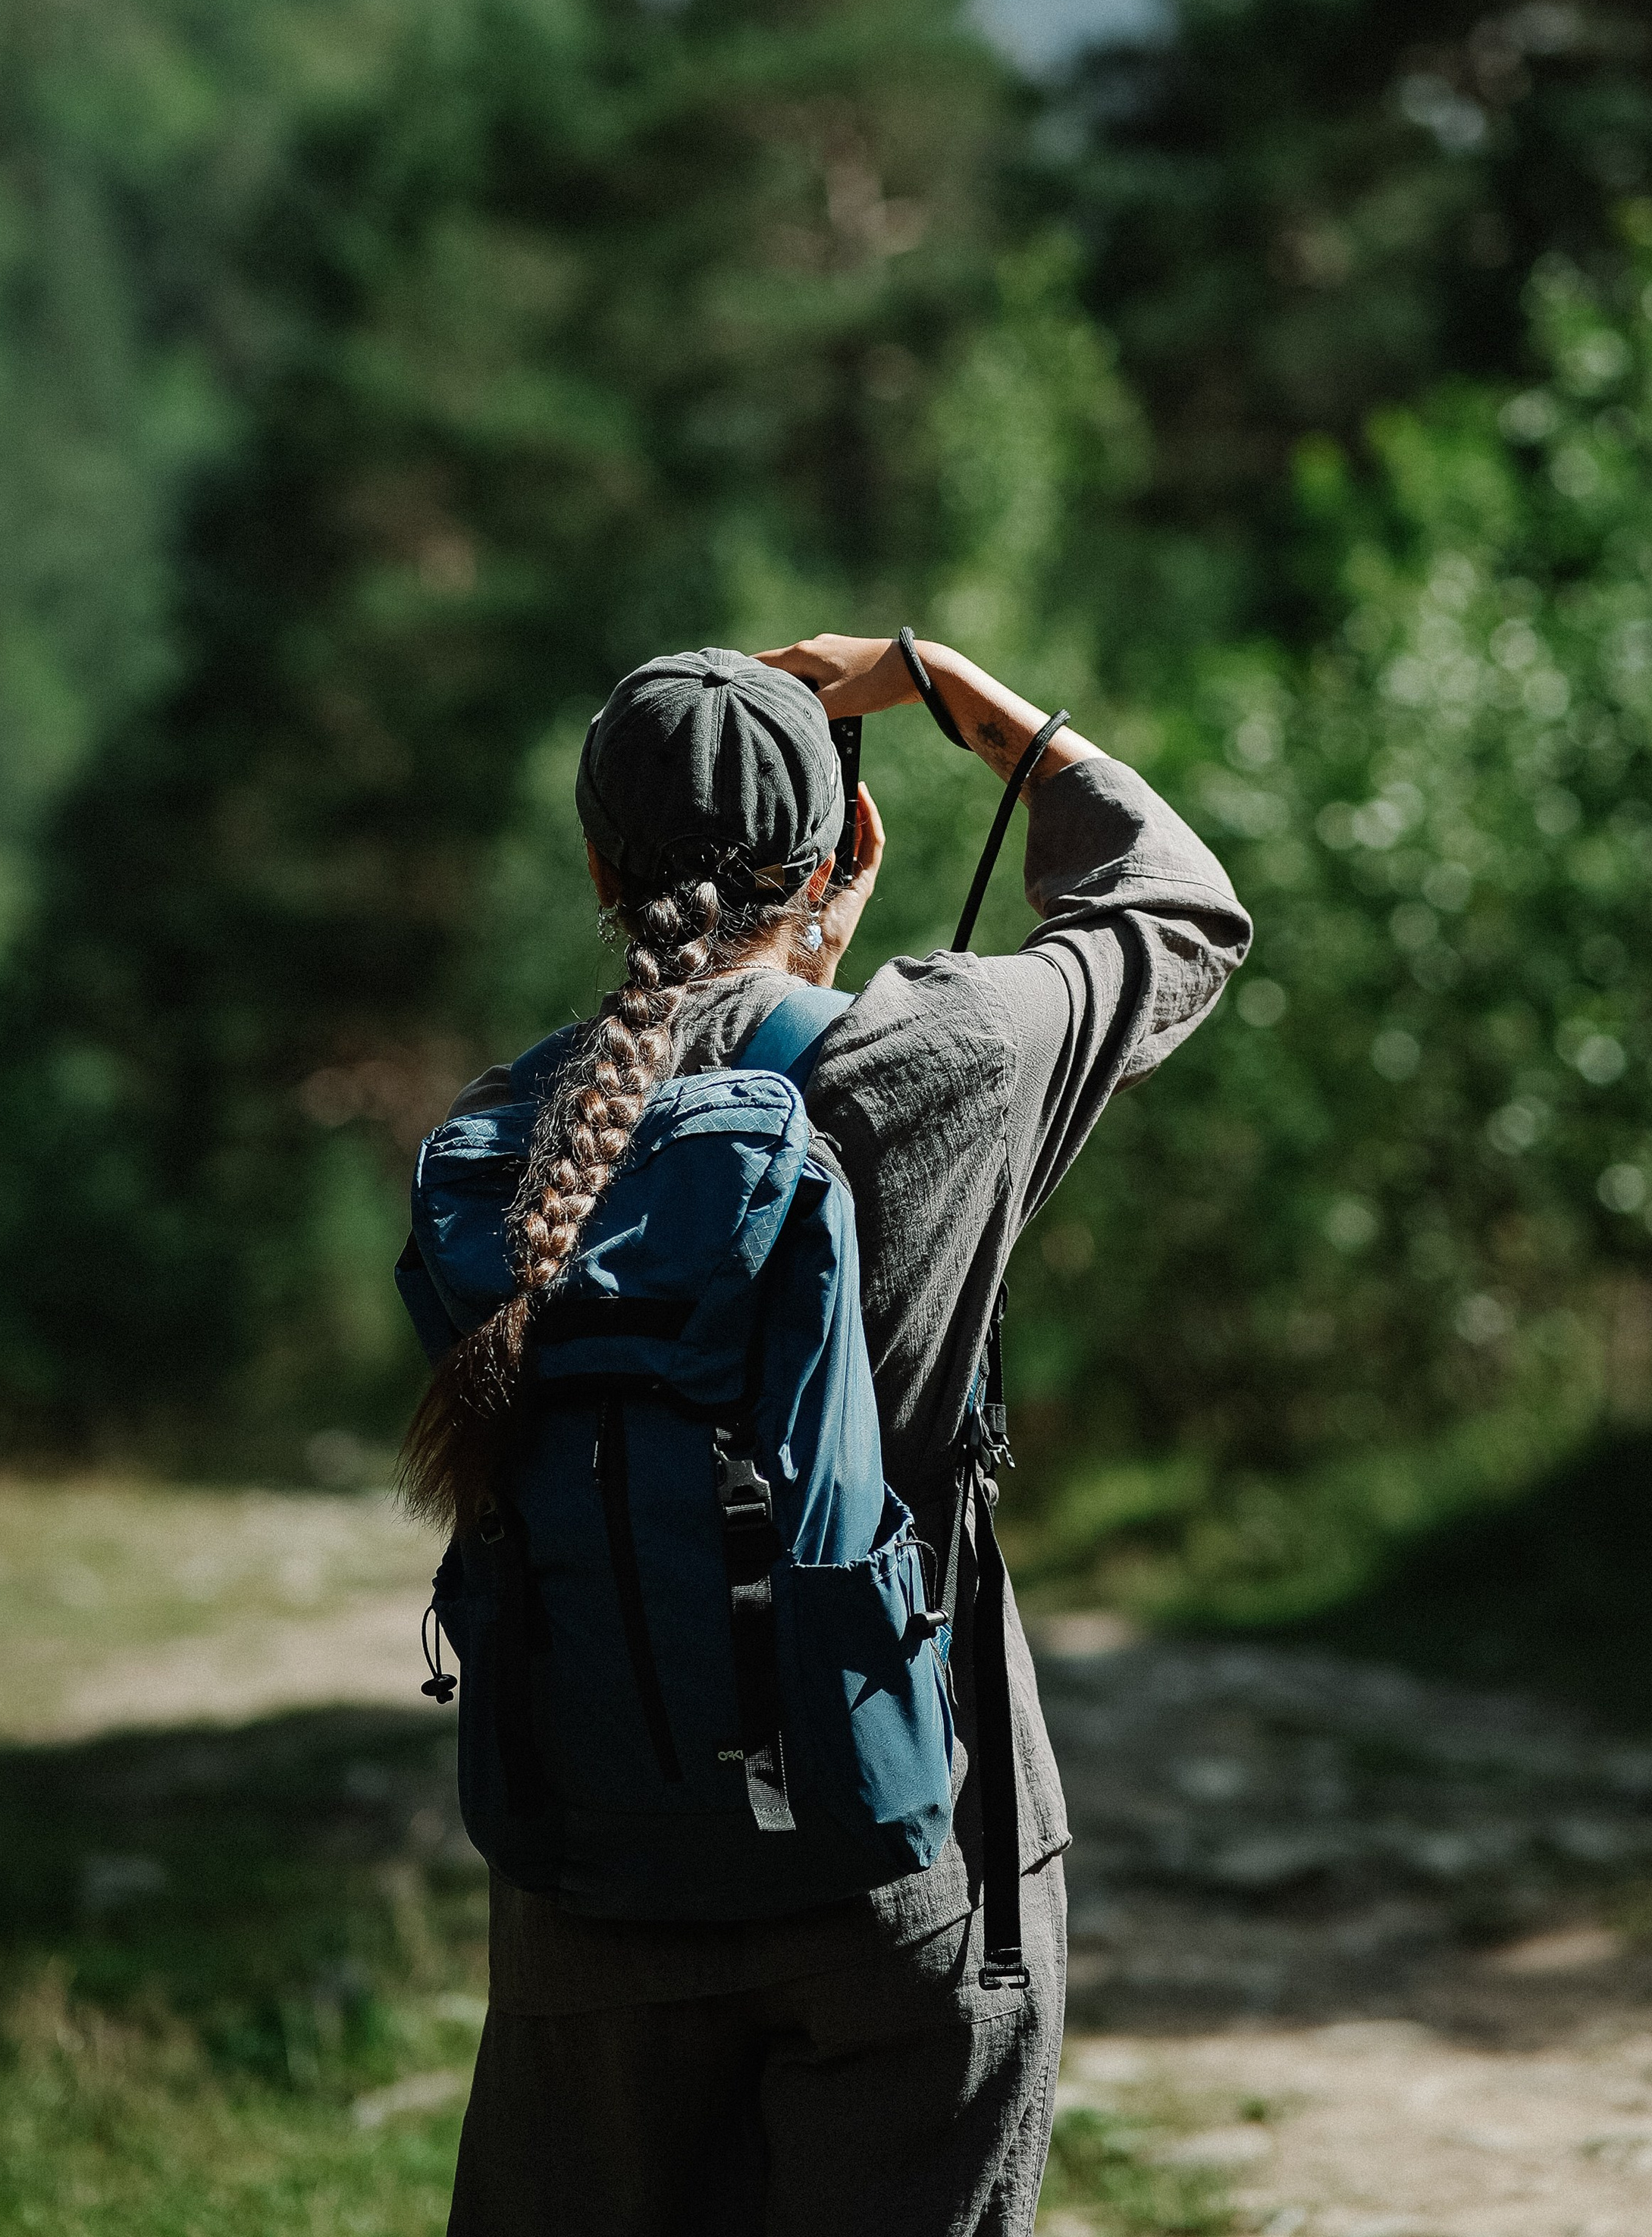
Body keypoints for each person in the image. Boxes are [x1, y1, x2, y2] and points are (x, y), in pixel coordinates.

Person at [409, 631, 1250, 2237]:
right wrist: (951, 691)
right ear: (847, 854)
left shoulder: (497, 1142)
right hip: (907, 1860)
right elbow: (1182, 909)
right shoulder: (945, 1055)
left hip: (590, 1883)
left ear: (595, 860)